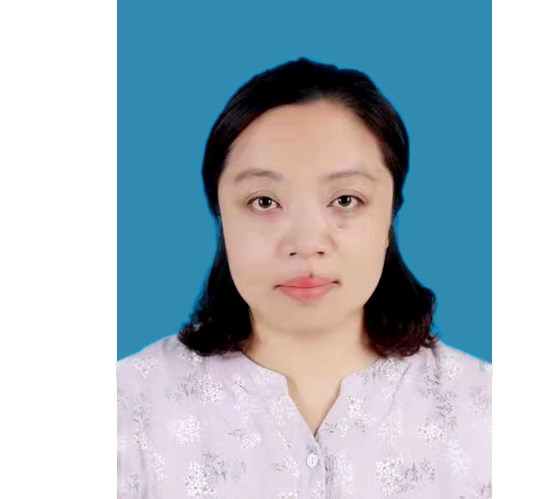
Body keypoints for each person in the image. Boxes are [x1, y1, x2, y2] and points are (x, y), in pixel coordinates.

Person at [117, 57, 492, 498]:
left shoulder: (483, 409)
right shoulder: (129, 405)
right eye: (264, 201)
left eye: (346, 199)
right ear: (221, 215)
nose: (307, 243)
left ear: (390, 214)